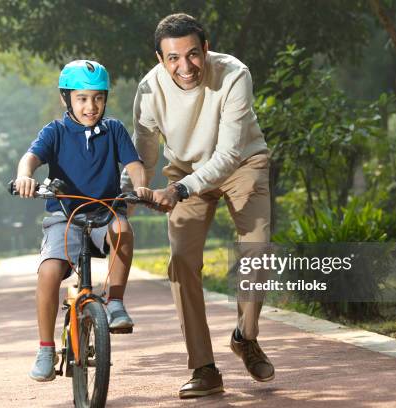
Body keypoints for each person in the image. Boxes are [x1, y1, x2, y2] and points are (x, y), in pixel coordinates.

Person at [121, 13, 274, 398]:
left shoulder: (234, 74)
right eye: (173, 58)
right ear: (160, 58)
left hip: (242, 164)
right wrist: (128, 200)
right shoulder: (149, 90)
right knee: (182, 261)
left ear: (205, 48)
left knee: (257, 248)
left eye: (192, 54)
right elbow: (145, 155)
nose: (184, 66)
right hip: (185, 169)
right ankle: (204, 367)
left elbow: (228, 152)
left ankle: (245, 336)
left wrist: (180, 191)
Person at [15, 60, 148, 382]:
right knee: (48, 272)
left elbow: (134, 164)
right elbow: (31, 157)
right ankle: (46, 348)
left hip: (105, 211)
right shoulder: (55, 132)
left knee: (122, 230)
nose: (91, 106)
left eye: (98, 98)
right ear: (67, 99)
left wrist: (141, 186)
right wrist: (24, 175)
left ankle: (115, 303)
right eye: (82, 98)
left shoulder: (114, 129)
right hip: (65, 215)